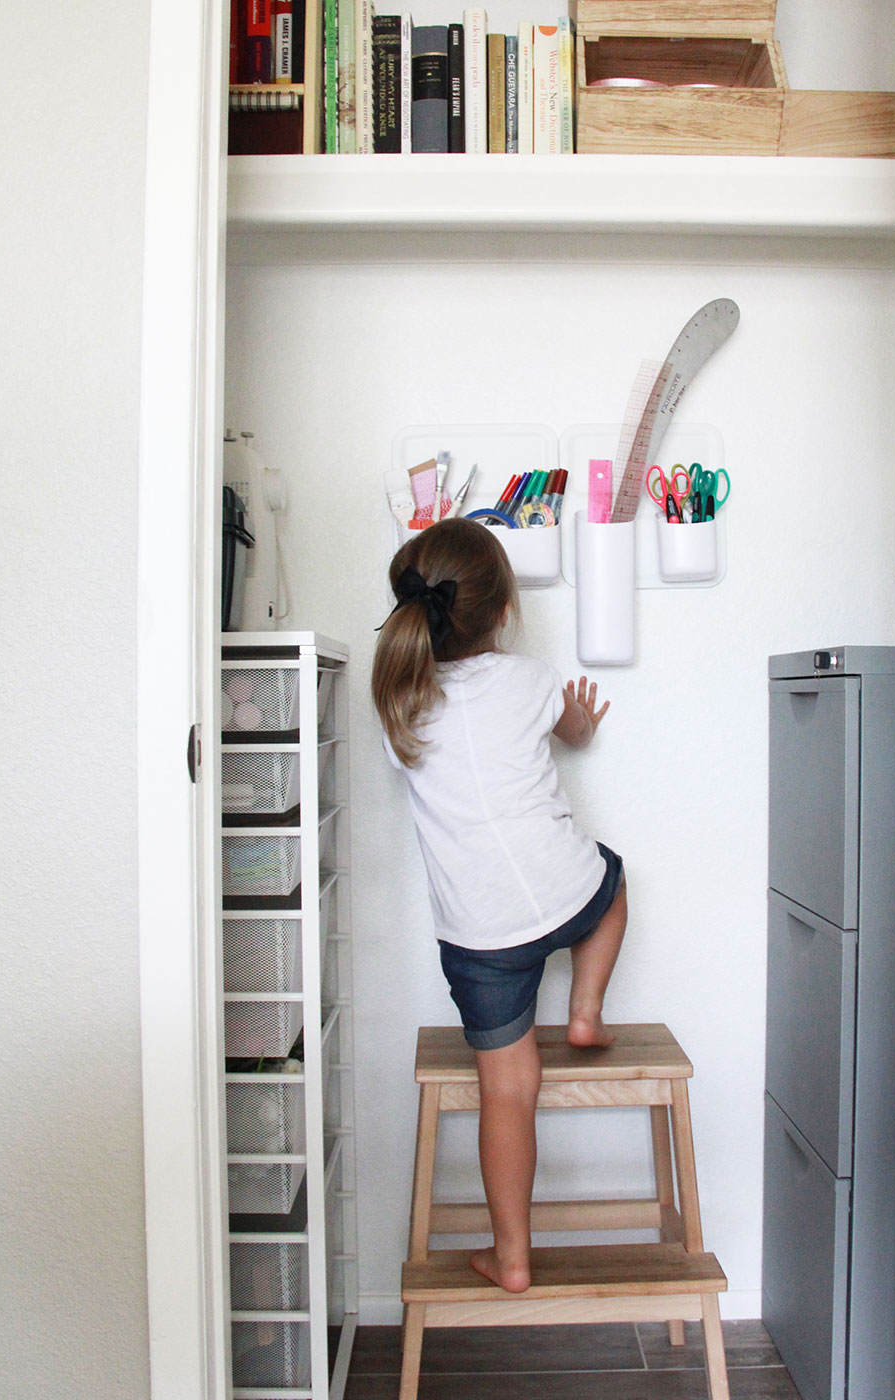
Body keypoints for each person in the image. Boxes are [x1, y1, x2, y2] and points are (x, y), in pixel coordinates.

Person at [372, 516, 626, 1295]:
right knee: (614, 881)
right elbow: (574, 732)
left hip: (479, 937)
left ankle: (511, 1256)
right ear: (504, 611)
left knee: (507, 1092)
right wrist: (580, 720)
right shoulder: (532, 678)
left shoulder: (402, 708)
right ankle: (585, 1009)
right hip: (566, 891)